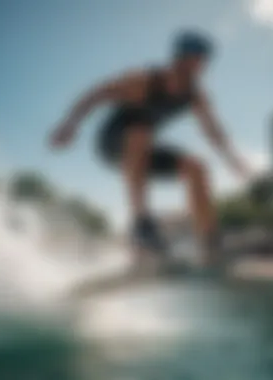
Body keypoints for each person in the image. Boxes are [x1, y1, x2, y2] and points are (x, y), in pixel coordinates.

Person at [50, 30, 250, 269]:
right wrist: (70, 124)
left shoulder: (195, 95)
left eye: (200, 64)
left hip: (142, 154)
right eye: (190, 62)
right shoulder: (143, 81)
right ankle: (141, 225)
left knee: (197, 167)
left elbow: (213, 130)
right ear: (178, 59)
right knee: (140, 132)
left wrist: (233, 160)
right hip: (111, 145)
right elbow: (96, 94)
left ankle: (209, 242)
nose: (196, 69)